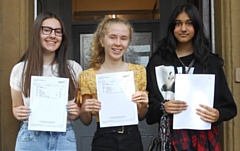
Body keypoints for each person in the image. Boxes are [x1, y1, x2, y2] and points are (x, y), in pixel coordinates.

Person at [146, 3, 237, 151]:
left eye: (189, 23)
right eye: (178, 24)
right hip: (171, 139)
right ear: (172, 28)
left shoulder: (210, 62)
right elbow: (148, 111)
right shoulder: (158, 61)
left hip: (205, 138)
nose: (183, 29)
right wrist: (164, 106)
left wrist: (218, 115)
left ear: (196, 27)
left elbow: (229, 107)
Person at [10, 12, 82, 151]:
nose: (53, 36)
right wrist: (18, 112)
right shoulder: (20, 69)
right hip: (31, 137)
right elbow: (16, 107)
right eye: (47, 30)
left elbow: (78, 111)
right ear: (37, 33)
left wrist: (76, 112)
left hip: (64, 136)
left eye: (58, 32)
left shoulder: (74, 68)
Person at [77, 17, 148, 151]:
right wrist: (85, 108)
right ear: (102, 41)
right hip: (103, 139)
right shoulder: (87, 76)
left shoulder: (138, 72)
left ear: (128, 42)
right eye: (113, 37)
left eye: (123, 38)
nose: (118, 43)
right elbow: (86, 121)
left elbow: (141, 115)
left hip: (131, 138)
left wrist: (144, 105)